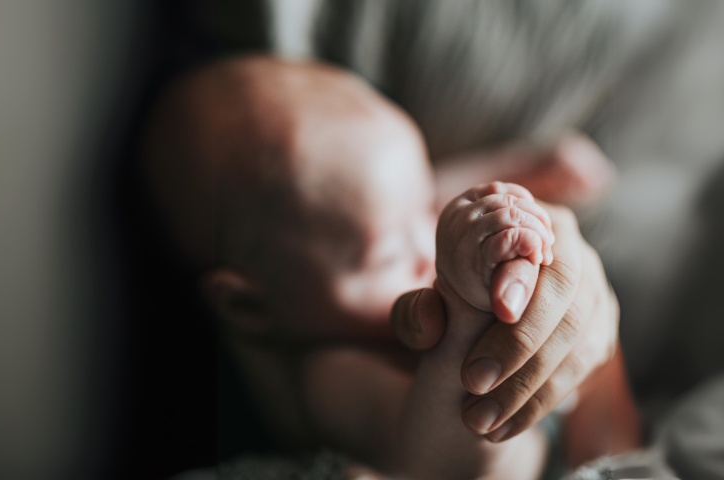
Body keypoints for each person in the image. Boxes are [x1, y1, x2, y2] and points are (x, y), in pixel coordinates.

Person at [143, 55, 635, 477]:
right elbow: (442, 465)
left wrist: (531, 168)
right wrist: (467, 308)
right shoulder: (331, 374)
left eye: (425, 207)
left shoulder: (375, 220)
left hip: (588, 416)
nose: (428, 246)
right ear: (248, 305)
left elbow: (412, 203)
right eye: (389, 256)